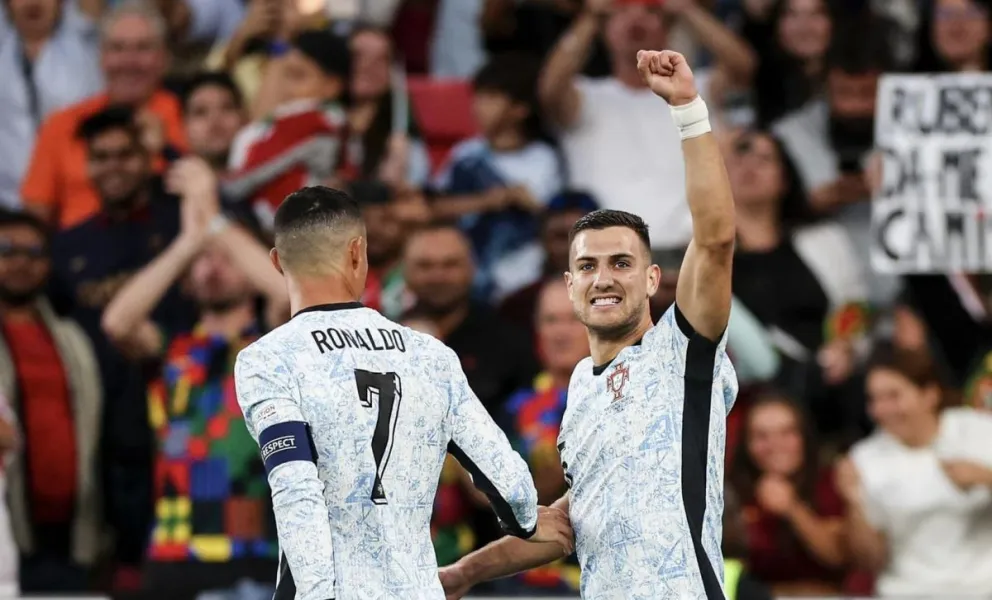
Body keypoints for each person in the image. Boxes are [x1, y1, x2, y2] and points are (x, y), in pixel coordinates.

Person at [440, 49, 738, 599]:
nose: (603, 278)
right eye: (587, 266)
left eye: (621, 263)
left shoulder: (682, 349)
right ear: (569, 284)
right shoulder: (578, 388)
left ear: (652, 279)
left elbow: (716, 239)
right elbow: (565, 525)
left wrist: (688, 110)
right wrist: (461, 574)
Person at [232, 186, 572, 599]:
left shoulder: (269, 359)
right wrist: (527, 522)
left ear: (276, 263)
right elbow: (506, 478)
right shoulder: (430, 354)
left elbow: (296, 491)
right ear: (358, 252)